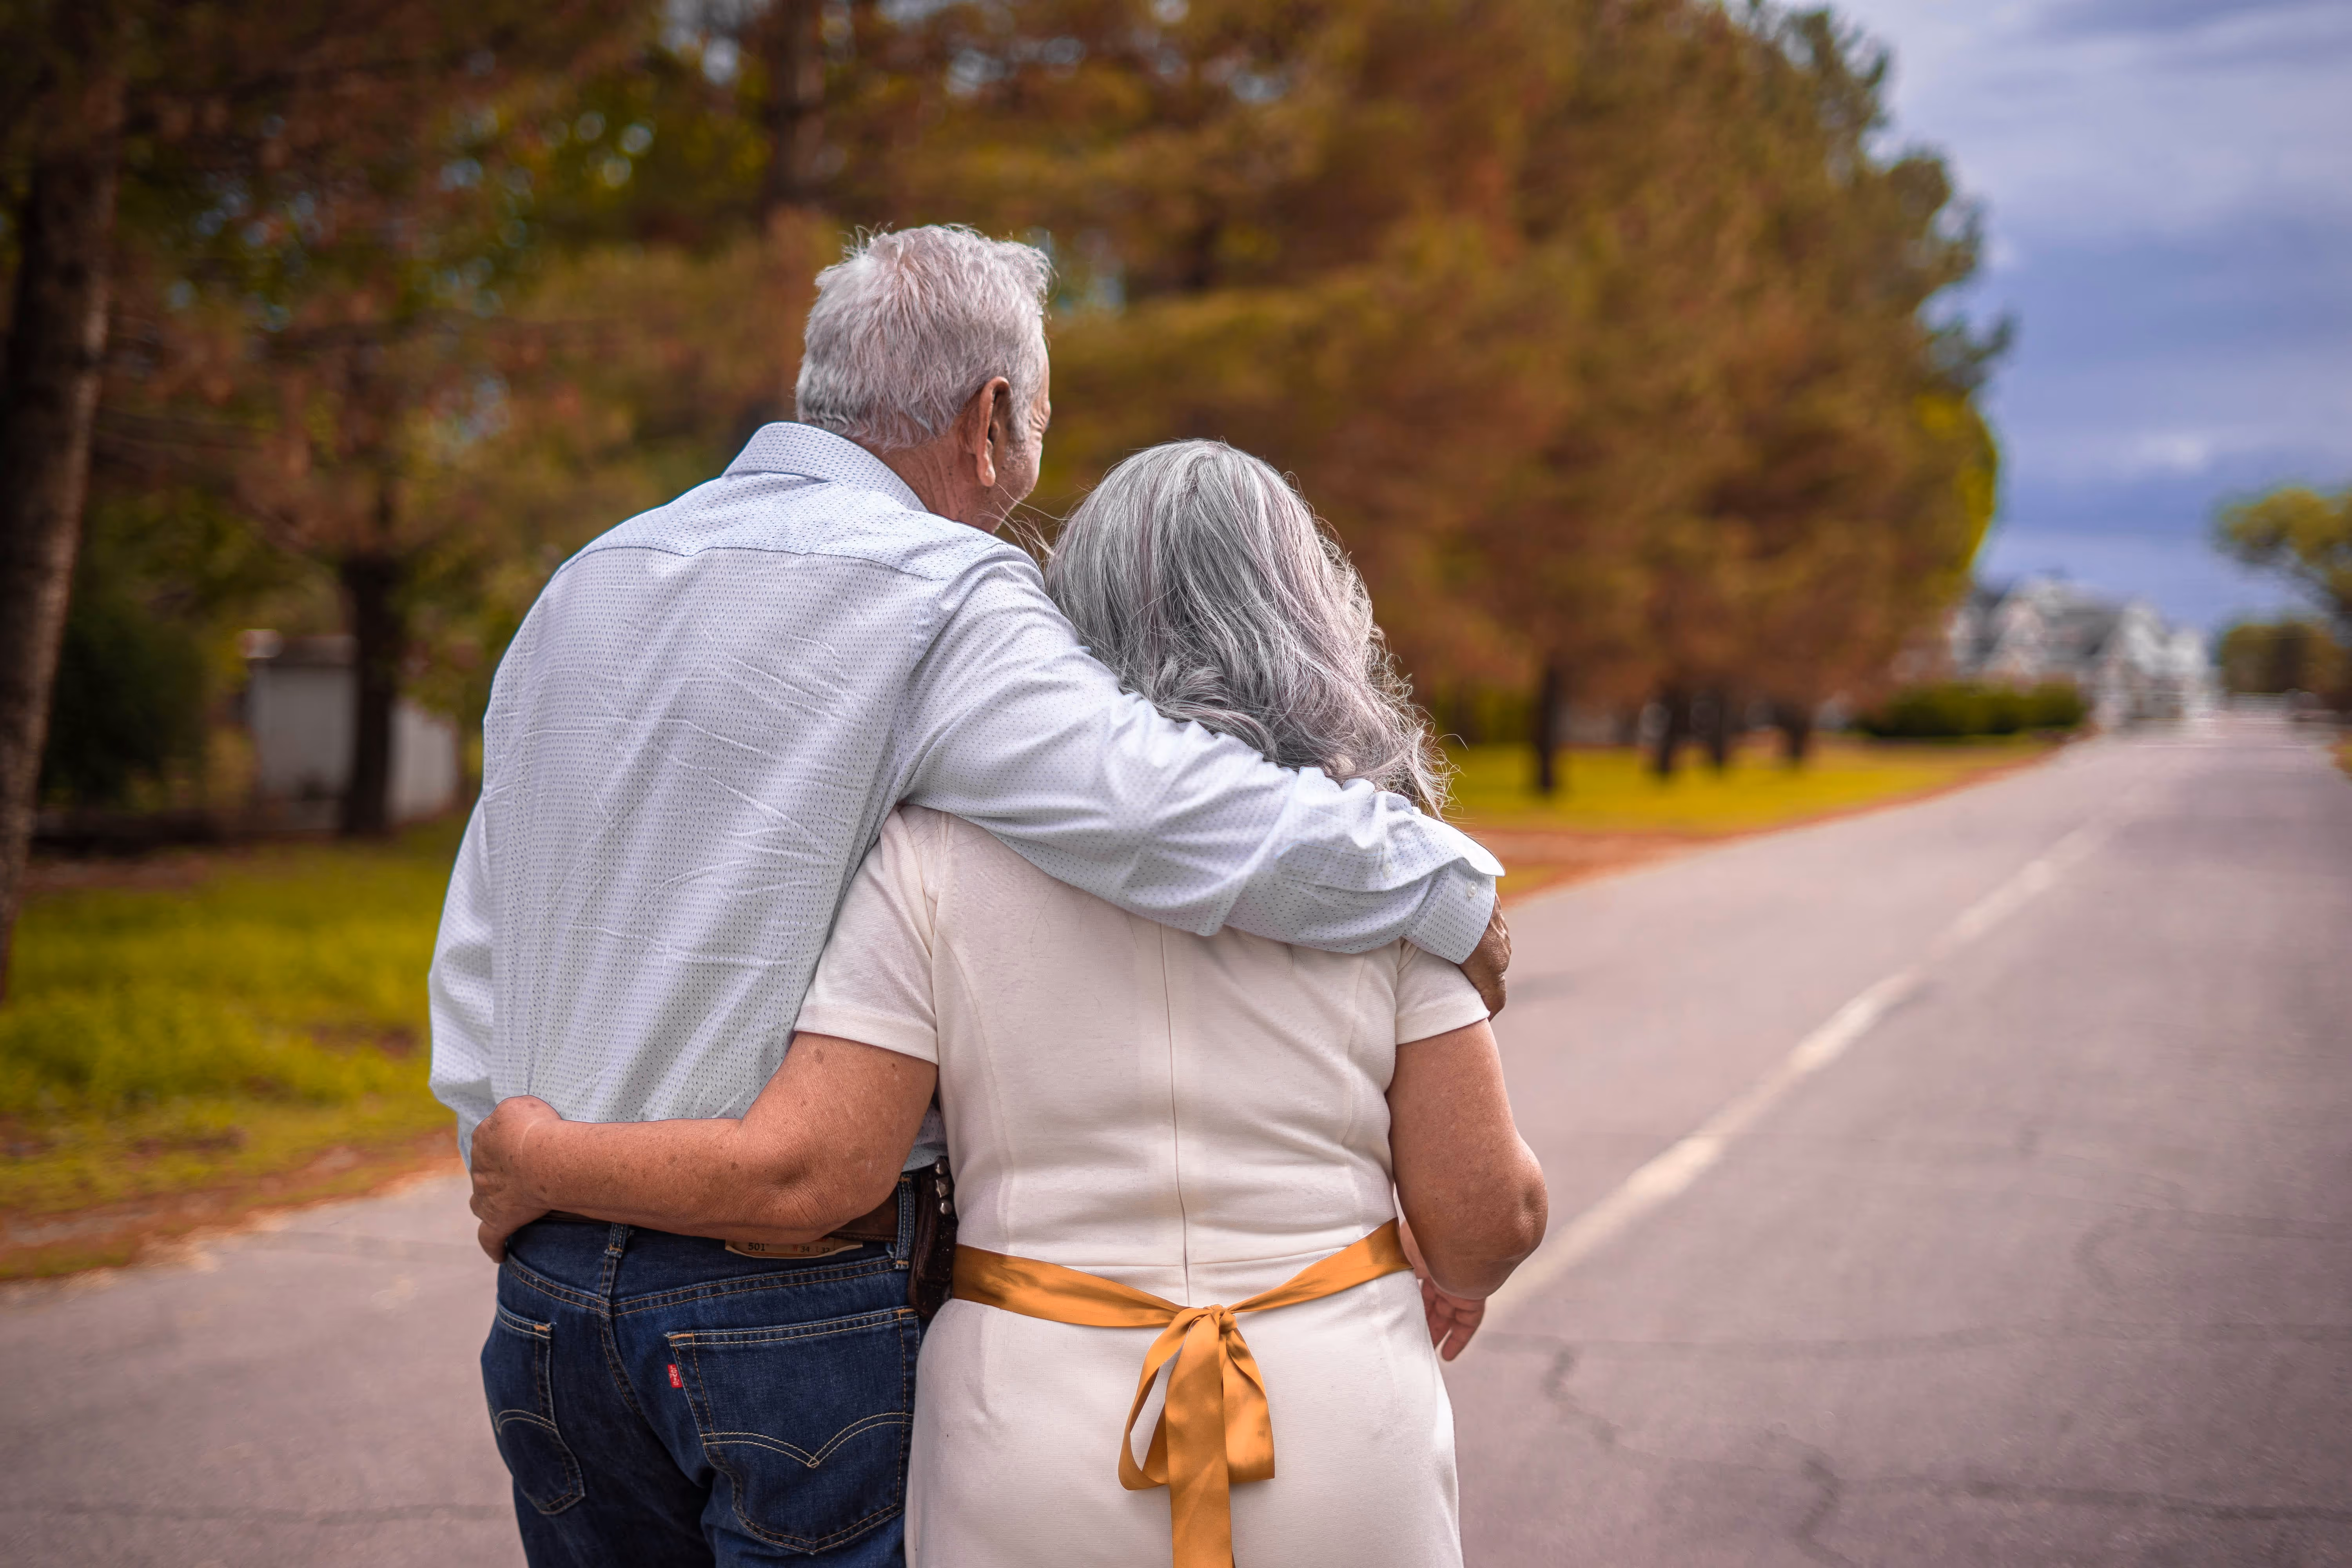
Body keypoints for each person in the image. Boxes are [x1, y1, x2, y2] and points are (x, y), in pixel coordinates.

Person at [432, 226, 1512, 1568]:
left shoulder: (583, 584)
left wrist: (515, 1156)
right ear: (992, 420)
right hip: (782, 1311)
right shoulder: (946, 593)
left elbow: (484, 936)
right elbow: (1157, 808)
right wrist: (1442, 877)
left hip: (545, 1302)